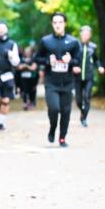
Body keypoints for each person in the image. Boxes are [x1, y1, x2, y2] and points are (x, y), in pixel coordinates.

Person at [34, 13, 82, 148]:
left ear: (65, 24)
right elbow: (37, 58)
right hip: (51, 83)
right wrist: (48, 61)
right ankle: (52, 128)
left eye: (60, 22)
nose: (57, 25)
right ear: (52, 24)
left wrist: (71, 61)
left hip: (67, 82)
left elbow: (78, 60)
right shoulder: (46, 41)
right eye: (55, 22)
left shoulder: (73, 42)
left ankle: (62, 138)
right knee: (54, 108)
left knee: (66, 111)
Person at [74, 25, 104, 126]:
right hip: (77, 77)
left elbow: (96, 59)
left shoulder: (93, 47)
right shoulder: (75, 45)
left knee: (87, 97)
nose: (85, 35)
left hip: (89, 76)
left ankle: (84, 119)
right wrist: (73, 67)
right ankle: (82, 111)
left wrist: (99, 67)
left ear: (90, 35)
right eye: (84, 33)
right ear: (81, 34)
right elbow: (71, 59)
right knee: (78, 100)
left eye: (87, 34)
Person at [17, 44, 39, 109]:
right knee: (24, 91)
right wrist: (26, 67)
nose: (27, 53)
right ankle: (25, 103)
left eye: (28, 51)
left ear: (31, 52)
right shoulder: (21, 59)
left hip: (32, 79)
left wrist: (26, 66)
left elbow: (34, 68)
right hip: (23, 78)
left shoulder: (34, 59)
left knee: (32, 91)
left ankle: (32, 103)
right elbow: (18, 67)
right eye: (26, 51)